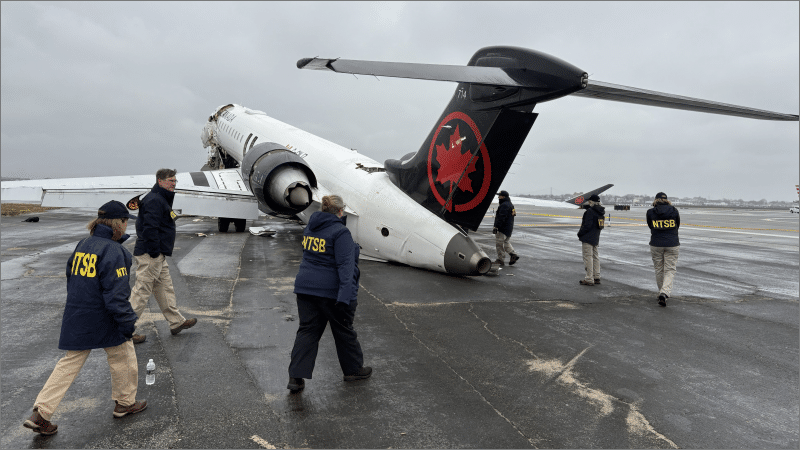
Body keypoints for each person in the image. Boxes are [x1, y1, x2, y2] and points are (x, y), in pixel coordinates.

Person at [23, 201, 147, 435]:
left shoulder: (84, 244)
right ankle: (125, 402)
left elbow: (71, 276)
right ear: (118, 223)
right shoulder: (115, 251)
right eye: (126, 220)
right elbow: (117, 295)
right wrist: (128, 322)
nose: (127, 224)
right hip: (104, 317)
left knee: (69, 363)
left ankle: (41, 413)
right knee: (123, 353)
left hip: (78, 313)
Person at [287, 195, 371, 392]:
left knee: (307, 331)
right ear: (341, 212)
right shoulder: (340, 233)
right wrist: (345, 298)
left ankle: (296, 378)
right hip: (330, 293)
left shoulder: (310, 228)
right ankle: (353, 370)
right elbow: (345, 268)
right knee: (344, 330)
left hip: (305, 289)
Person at [129, 169, 196, 344]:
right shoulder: (154, 200)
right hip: (151, 254)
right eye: (170, 181)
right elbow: (149, 228)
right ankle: (124, 330)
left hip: (158, 254)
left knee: (165, 288)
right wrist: (154, 251)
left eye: (175, 181)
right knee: (142, 291)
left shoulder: (159, 199)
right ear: (160, 181)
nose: (173, 184)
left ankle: (176, 322)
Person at [646, 192, 680, 307]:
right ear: (667, 200)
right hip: (672, 243)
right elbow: (677, 225)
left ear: (655, 200)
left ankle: (662, 292)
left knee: (659, 269)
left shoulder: (650, 212)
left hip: (656, 243)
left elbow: (650, 226)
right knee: (670, 270)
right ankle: (664, 293)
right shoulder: (674, 211)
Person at [577, 194, 605, 286]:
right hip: (596, 237)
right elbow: (601, 226)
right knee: (595, 257)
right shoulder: (601, 212)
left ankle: (589, 278)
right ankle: (596, 277)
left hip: (587, 238)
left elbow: (586, 226)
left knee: (588, 257)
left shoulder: (589, 211)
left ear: (591, 202)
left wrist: (580, 233)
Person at [493, 190, 520, 266]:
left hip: (502, 228)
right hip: (508, 228)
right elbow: (513, 215)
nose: (498, 197)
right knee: (506, 242)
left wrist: (496, 227)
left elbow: (501, 217)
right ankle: (513, 255)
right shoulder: (510, 204)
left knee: (499, 244)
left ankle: (500, 260)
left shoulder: (504, 205)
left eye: (499, 195)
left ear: (503, 197)